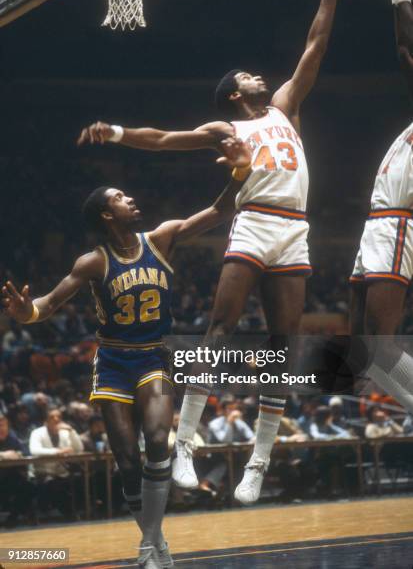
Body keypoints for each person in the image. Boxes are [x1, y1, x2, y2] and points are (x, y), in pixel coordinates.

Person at [77, 0, 349, 505]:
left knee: (283, 347)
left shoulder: (284, 107)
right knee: (220, 327)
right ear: (232, 92)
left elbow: (314, 48)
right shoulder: (228, 126)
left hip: (294, 230)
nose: (260, 76)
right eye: (249, 74)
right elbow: (162, 139)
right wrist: (118, 132)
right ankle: (182, 446)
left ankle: (259, 463)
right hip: (252, 223)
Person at [2, 139, 250, 569]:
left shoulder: (164, 237)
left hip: (154, 357)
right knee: (128, 461)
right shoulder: (93, 262)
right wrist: (27, 312)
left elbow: (218, 212)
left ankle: (150, 545)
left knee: (157, 441)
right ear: (105, 214)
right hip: (113, 362)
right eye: (119, 197)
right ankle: (156, 544)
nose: (129, 198)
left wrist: (239, 173)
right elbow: (50, 304)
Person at [349, 0, 413, 414]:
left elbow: (408, 50)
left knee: (383, 348)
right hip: (378, 224)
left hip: (397, 222)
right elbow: (407, 51)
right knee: (363, 356)